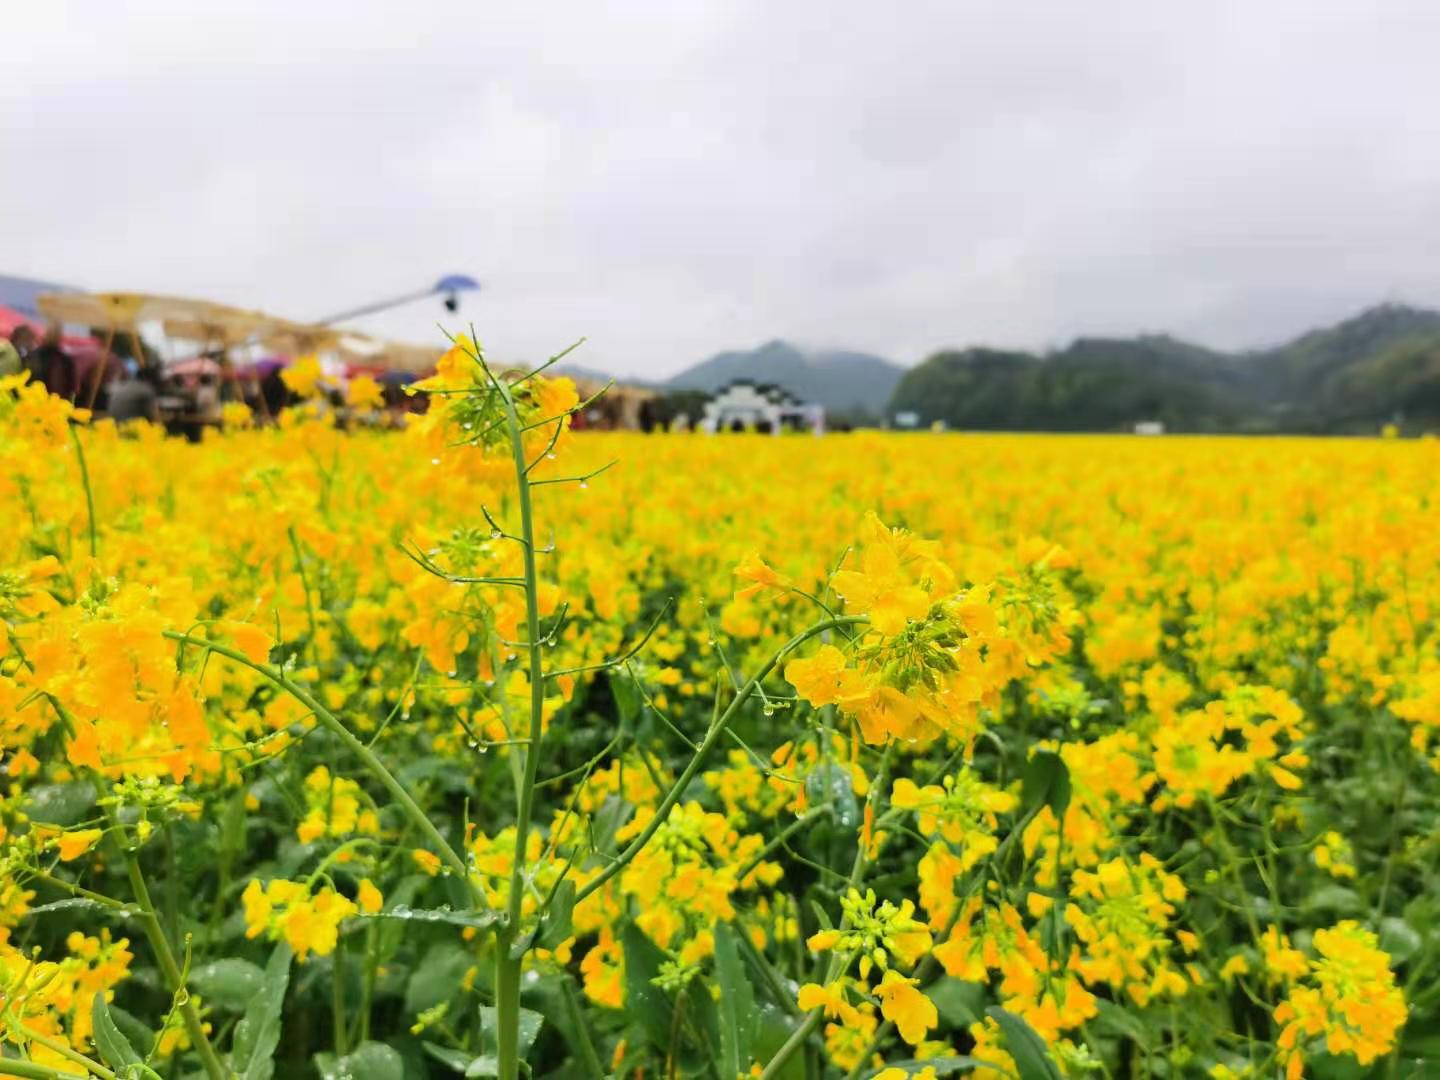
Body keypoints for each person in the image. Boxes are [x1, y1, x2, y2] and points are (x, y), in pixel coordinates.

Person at [35, 326, 77, 401]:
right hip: (38, 401)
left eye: (55, 334)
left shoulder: (65, 360)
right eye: (50, 333)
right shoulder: (34, 356)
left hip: (57, 403)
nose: (52, 336)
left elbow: (71, 386)